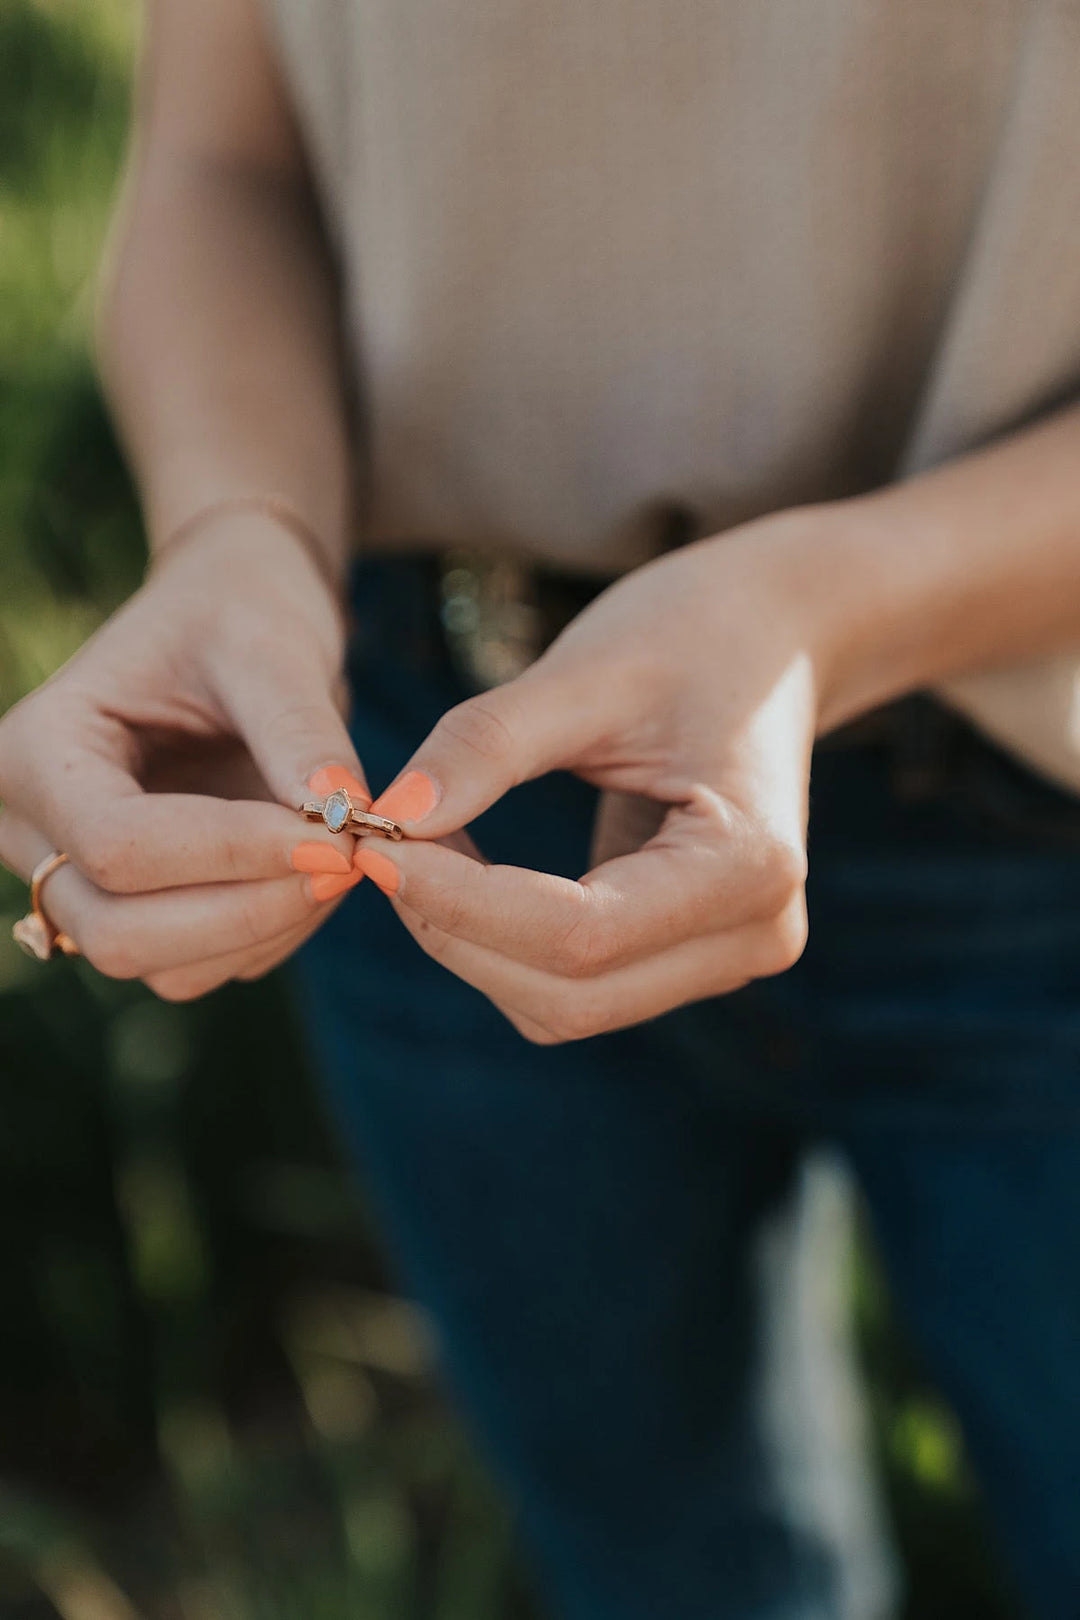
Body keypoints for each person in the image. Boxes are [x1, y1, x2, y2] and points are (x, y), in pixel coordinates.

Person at [2, 0, 1080, 1612]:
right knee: (663, 1574)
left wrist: (823, 613)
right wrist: (238, 532)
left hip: (1035, 789)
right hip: (414, 720)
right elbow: (226, 158)